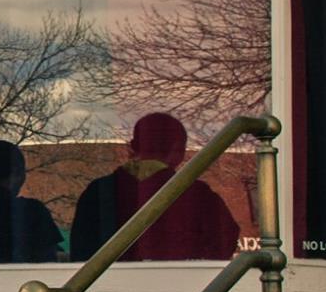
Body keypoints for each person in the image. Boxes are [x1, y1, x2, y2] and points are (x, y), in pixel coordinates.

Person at [69, 112, 239, 261]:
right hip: (186, 291)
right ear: (178, 151)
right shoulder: (198, 195)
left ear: (133, 146)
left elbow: (81, 253)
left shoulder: (98, 193)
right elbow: (223, 245)